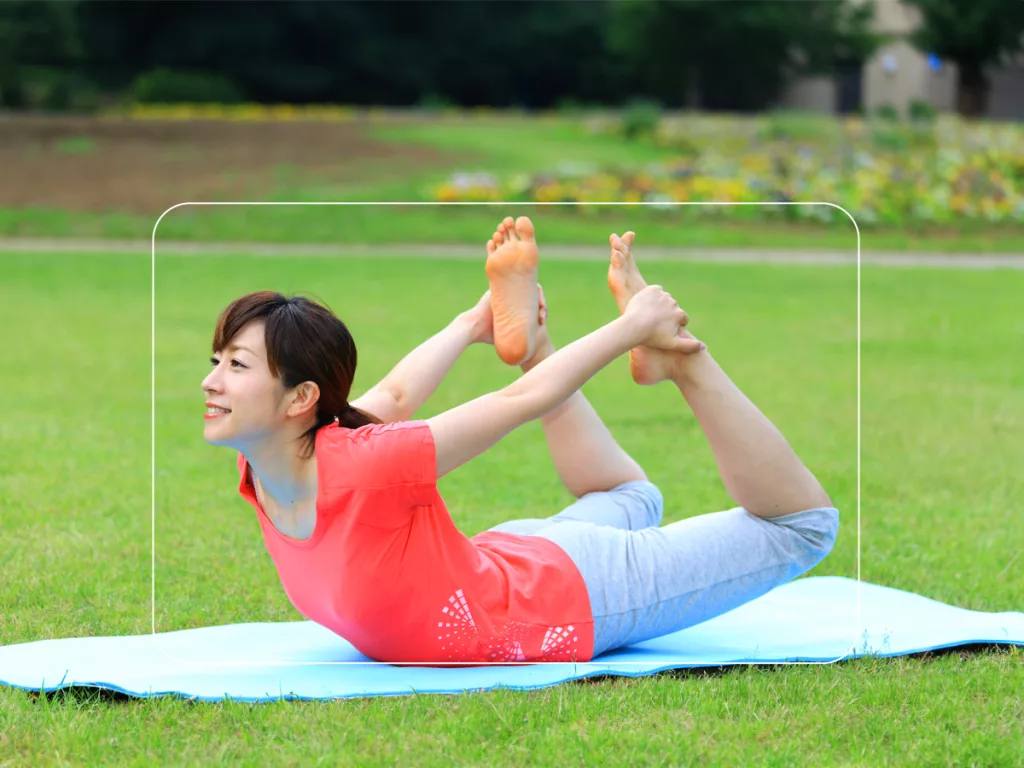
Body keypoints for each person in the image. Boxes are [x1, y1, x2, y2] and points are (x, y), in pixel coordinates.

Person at [201, 216, 839, 665]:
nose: (212, 382)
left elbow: (518, 404)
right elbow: (390, 398)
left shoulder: (365, 465)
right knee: (631, 495)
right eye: (218, 360)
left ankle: (681, 359)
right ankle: (556, 349)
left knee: (804, 526)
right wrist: (473, 322)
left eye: (236, 365)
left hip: (567, 599)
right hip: (513, 560)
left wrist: (633, 326)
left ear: (300, 399)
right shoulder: (274, 465)